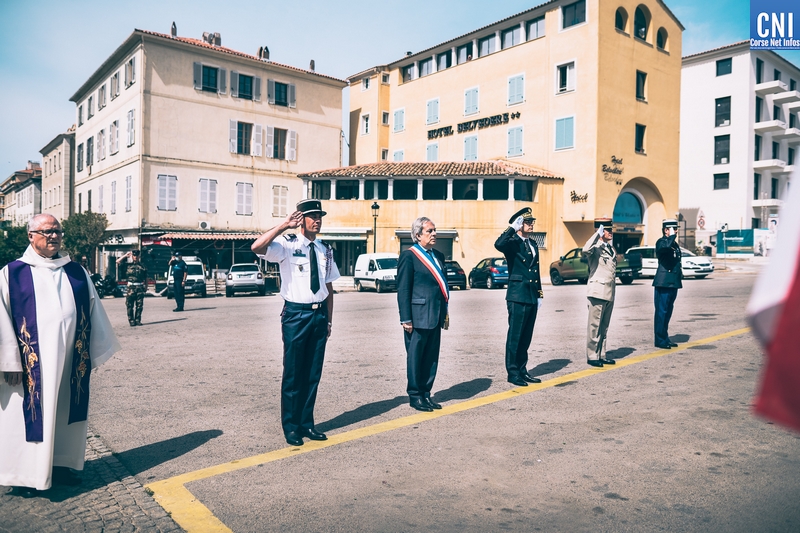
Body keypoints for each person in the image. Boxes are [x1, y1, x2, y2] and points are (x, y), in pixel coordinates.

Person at [0, 214, 120, 495]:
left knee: (67, 412)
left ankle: (63, 466)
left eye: (57, 231)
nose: (53, 236)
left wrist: (91, 353)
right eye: (46, 231)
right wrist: (9, 361)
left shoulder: (77, 272)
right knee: (27, 417)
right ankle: (25, 478)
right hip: (28, 368)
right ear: (30, 235)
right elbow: (1, 319)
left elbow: (94, 312)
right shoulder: (12, 274)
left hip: (70, 362)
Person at [251, 199, 340, 446]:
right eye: (312, 216)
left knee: (313, 373)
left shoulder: (325, 250)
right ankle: (291, 427)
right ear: (301, 220)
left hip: (319, 315)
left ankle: (306, 423)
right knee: (293, 373)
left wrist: (329, 320)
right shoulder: (286, 246)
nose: (317, 220)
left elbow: (329, 287)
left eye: (319, 216)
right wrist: (283, 226)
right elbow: (256, 247)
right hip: (296, 316)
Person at [397, 217, 449, 412]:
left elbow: (441, 287)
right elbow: (403, 289)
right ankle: (415, 395)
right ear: (418, 235)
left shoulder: (439, 255)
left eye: (435, 230)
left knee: (431, 358)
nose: (434, 234)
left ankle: (426, 394)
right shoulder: (409, 256)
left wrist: (444, 313)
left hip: (435, 315)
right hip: (417, 317)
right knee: (416, 358)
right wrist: (406, 318)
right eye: (430, 231)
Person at [495, 208, 543, 387]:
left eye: (532, 222)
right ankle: (513, 372)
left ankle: (523, 370)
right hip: (517, 295)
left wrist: (539, 293)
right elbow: (498, 244)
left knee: (526, 336)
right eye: (527, 222)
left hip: (530, 294)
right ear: (519, 224)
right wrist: (511, 229)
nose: (531, 225)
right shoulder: (512, 243)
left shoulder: (533, 243)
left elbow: (536, 271)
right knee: (515, 335)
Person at [583, 219, 617, 367]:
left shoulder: (611, 248)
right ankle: (592, 356)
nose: (611, 232)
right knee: (594, 326)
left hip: (609, 291)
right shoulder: (595, 248)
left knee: (604, 326)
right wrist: (597, 234)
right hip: (597, 291)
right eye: (607, 230)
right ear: (600, 231)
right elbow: (585, 249)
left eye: (611, 229)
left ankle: (602, 354)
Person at [653, 219, 682, 349]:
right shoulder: (661, 242)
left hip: (673, 282)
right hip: (663, 282)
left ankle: (665, 337)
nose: (676, 231)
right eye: (673, 229)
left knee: (668, 311)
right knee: (661, 311)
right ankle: (659, 340)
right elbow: (664, 248)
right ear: (666, 230)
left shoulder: (674, 244)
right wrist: (671, 236)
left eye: (676, 229)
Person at [117, 250, 147, 326]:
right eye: (134, 256)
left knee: (139, 305)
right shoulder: (128, 265)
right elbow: (117, 262)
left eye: (137, 256)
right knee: (129, 305)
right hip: (131, 287)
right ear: (132, 256)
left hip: (140, 287)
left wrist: (146, 286)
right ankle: (131, 320)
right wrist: (125, 256)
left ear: (139, 257)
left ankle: (138, 320)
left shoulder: (142, 266)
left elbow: (146, 277)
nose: (135, 257)